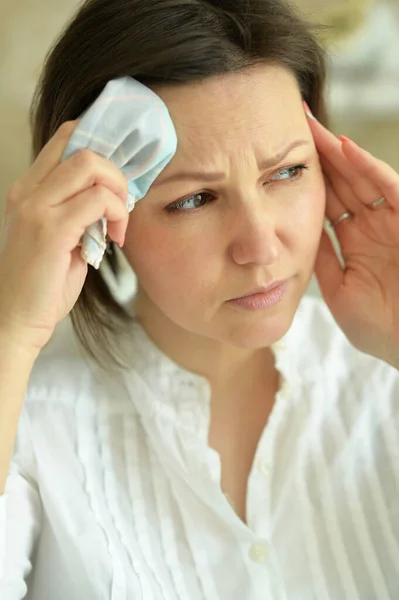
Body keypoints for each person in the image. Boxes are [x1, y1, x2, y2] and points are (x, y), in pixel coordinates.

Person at [0, 0, 398, 598]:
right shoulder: (33, 423)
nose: (260, 247)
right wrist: (13, 328)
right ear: (96, 211)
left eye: (287, 172)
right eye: (193, 200)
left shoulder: (385, 377)